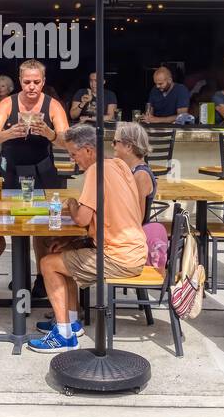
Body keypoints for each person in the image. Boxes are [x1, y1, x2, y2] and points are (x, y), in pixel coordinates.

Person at [27, 124, 148, 352]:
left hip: (118, 257)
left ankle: (63, 335)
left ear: (89, 151)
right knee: (61, 255)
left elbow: (82, 219)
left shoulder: (96, 170)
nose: (73, 160)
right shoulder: (120, 165)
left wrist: (72, 204)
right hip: (134, 249)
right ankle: (72, 323)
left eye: (74, 154)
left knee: (47, 264)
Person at [0, 59, 71, 190]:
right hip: (10, 170)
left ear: (43, 81)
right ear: (20, 81)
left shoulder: (53, 106)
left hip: (42, 170)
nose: (31, 86)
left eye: (36, 82)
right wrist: (9, 133)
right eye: (27, 82)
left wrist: (50, 134)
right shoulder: (7, 104)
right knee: (6, 209)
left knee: (44, 209)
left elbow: (66, 142)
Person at [113, 121, 157, 223]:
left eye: (115, 141)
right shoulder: (130, 170)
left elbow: (137, 219)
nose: (112, 145)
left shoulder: (140, 175)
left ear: (128, 146)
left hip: (132, 236)